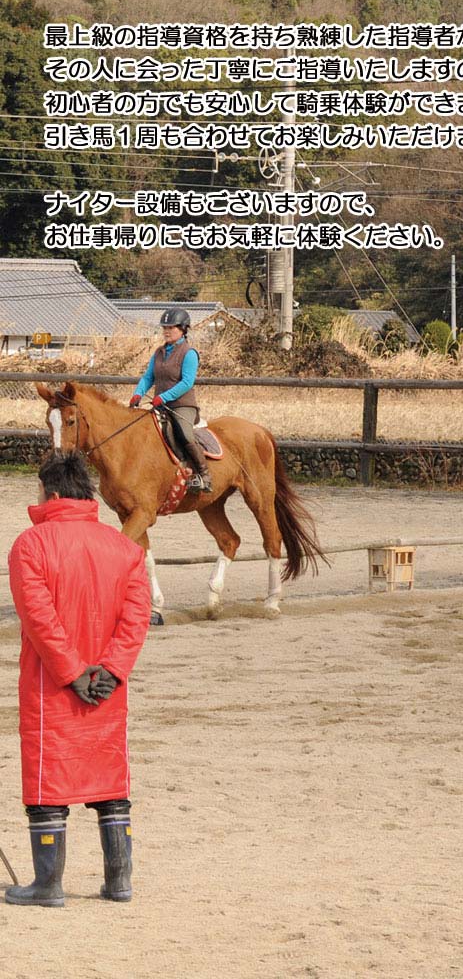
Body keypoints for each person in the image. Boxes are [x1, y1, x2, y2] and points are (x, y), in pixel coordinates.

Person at [6, 452, 151, 906]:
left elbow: (39, 618)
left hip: (53, 683)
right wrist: (111, 671)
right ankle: (119, 881)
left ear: (49, 493)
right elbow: (136, 619)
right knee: (110, 781)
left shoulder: (30, 545)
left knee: (49, 779)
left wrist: (71, 673)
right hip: (107, 687)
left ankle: (48, 885)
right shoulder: (127, 548)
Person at [130, 306, 213, 492]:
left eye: (171, 328)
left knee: (184, 433)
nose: (166, 331)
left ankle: (204, 475)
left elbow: (187, 382)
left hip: (182, 405)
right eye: (164, 328)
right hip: (160, 404)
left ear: (183, 329)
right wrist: (137, 394)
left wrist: (163, 397)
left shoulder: (189, 353)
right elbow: (148, 377)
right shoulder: (159, 352)